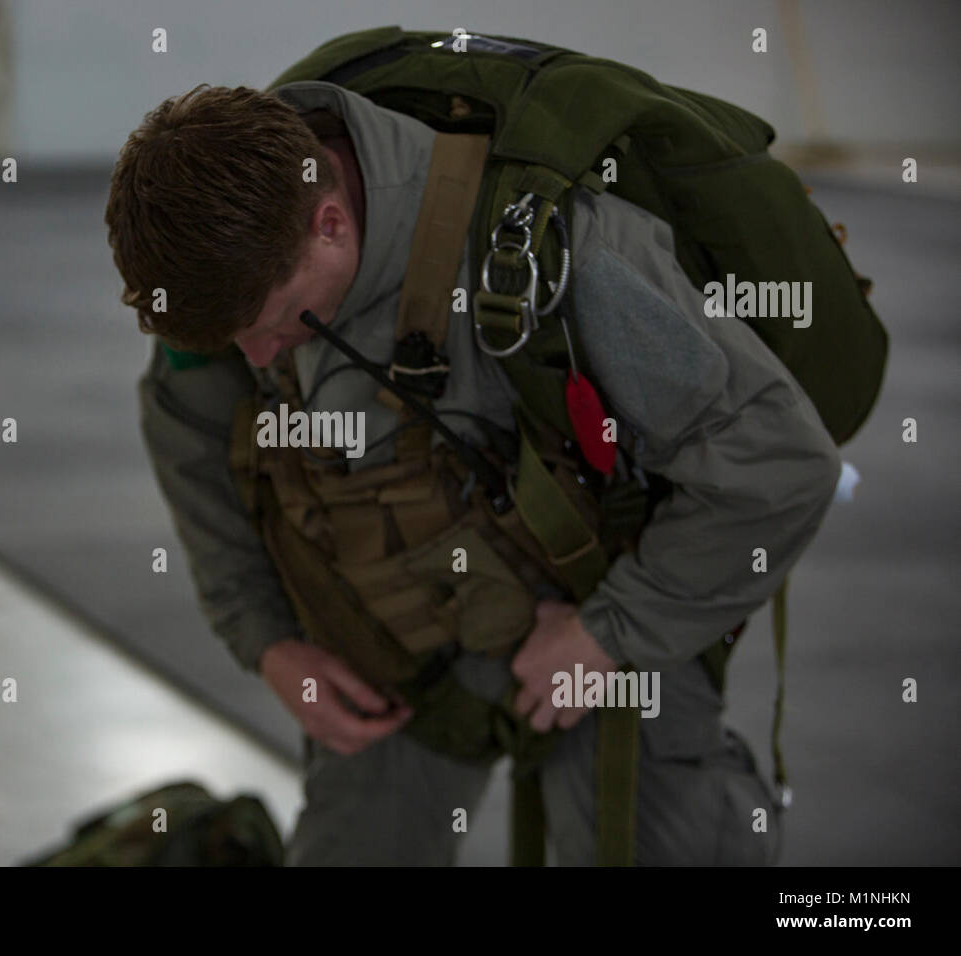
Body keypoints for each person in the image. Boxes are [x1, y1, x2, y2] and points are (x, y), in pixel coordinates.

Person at [104, 78, 842, 865]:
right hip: (391, 638)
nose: (256, 359)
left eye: (276, 325)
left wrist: (609, 634)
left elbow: (779, 460)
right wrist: (269, 642)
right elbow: (190, 439)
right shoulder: (226, 258)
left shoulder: (569, 252)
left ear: (329, 224)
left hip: (608, 615)